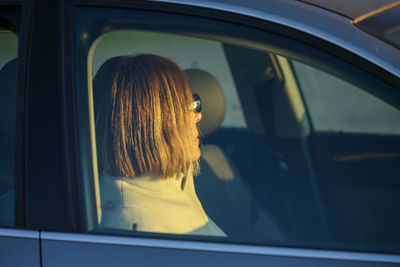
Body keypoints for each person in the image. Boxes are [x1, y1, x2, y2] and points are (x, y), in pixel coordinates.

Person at [93, 54, 225, 236]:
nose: (198, 115)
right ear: (151, 125)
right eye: (186, 107)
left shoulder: (177, 182)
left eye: (195, 102)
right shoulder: (131, 222)